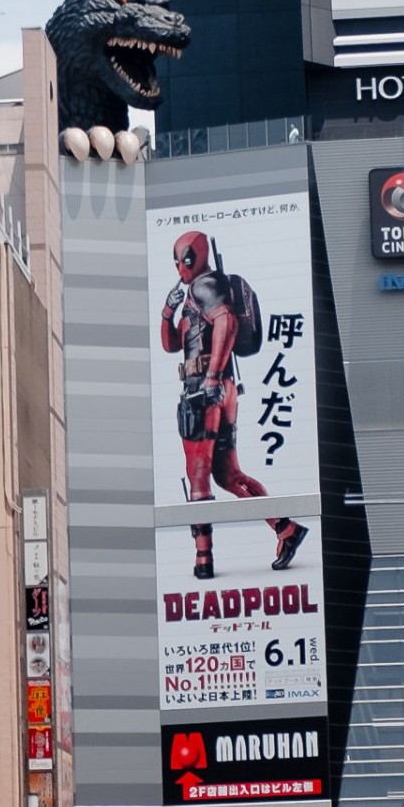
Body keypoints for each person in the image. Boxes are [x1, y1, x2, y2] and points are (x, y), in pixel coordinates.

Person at [159, 229, 305, 581]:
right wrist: (168, 309)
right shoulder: (194, 293)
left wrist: (210, 377)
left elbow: (227, 322)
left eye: (183, 259)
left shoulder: (204, 286)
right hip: (219, 389)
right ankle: (286, 528)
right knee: (228, 475)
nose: (179, 266)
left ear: (193, 257)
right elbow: (171, 343)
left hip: (205, 390)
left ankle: (204, 559)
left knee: (199, 479)